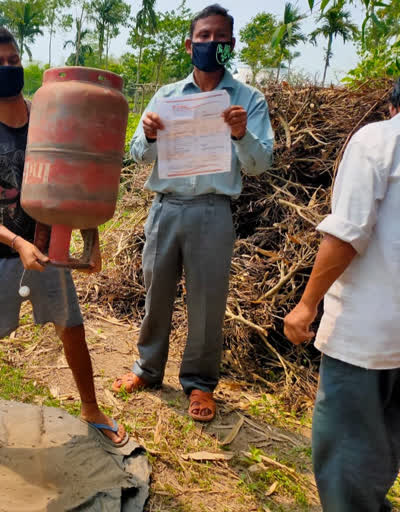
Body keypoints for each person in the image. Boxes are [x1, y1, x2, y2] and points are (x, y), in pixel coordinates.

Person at [0, 25, 127, 469]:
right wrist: (16, 242)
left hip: (49, 248)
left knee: (73, 332)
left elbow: (80, 183)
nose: (8, 69)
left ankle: (91, 409)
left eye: (14, 61)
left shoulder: (53, 119)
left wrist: (91, 241)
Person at [112, 4, 274, 422]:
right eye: (204, 37)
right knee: (156, 294)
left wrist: (241, 133)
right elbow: (136, 155)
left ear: (231, 46)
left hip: (212, 211)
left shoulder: (248, 101)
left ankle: (200, 384)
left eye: (221, 38)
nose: (212, 44)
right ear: (189, 44)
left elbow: (260, 164)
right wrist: (148, 135)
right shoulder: (166, 97)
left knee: (207, 302)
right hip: (165, 208)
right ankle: (147, 370)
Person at [283, 79, 400, 512]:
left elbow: (348, 233)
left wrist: (306, 304)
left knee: (346, 457)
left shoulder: (379, 140)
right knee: (384, 442)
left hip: (366, 337)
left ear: (392, 103)